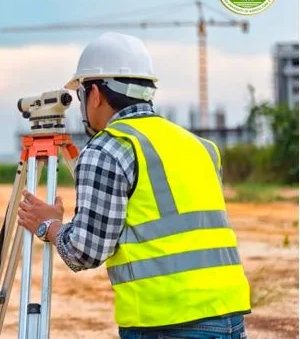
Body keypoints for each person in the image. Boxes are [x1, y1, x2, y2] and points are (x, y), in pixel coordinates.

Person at [17, 32, 251, 338]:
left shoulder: (107, 149)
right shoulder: (200, 146)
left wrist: (48, 225)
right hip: (229, 314)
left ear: (96, 94)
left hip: (167, 324)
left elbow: (84, 252)